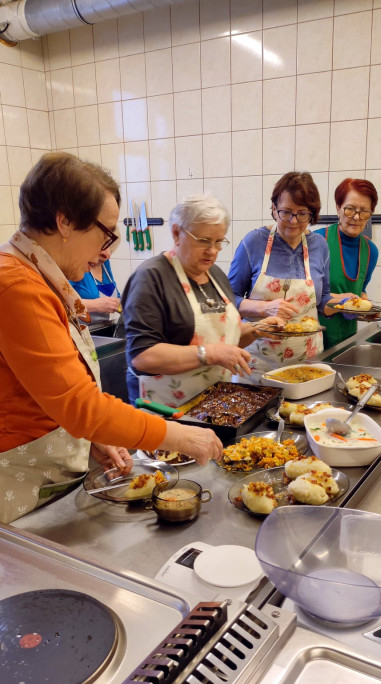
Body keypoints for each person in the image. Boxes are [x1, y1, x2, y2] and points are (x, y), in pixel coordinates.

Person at [0, 153, 222, 523]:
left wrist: (89, 436)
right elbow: (78, 403)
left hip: (52, 468)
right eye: (106, 233)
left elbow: (55, 392)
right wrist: (175, 436)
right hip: (23, 479)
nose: (105, 251)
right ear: (65, 222)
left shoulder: (37, 275)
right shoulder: (17, 286)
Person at [122, 195, 283, 406]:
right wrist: (209, 353)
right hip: (165, 412)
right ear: (176, 233)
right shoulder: (151, 278)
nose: (213, 251)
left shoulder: (215, 275)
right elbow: (142, 356)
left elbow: (224, 341)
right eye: (204, 241)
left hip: (212, 405)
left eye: (219, 241)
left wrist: (257, 329)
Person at [228, 171, 355, 380]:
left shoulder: (319, 246)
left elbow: (322, 301)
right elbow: (227, 299)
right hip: (258, 364)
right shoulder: (253, 243)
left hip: (307, 362)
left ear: (312, 214)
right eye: (286, 212)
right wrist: (264, 307)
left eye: (302, 213)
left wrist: (343, 304)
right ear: (274, 208)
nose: (293, 221)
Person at [315, 178, 379, 349]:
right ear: (338, 208)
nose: (357, 217)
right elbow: (304, 295)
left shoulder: (370, 251)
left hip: (347, 339)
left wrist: (363, 303)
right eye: (350, 209)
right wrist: (342, 300)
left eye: (364, 212)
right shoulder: (317, 241)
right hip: (313, 338)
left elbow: (360, 290)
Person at [69, 245, 121, 323]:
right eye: (103, 245)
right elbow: (62, 303)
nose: (108, 254)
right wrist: (95, 305)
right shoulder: (73, 264)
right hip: (80, 330)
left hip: (101, 328)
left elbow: (116, 296)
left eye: (109, 246)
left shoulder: (105, 263)